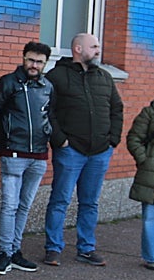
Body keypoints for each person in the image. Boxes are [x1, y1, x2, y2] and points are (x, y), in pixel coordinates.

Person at [43, 33, 123, 267]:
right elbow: (47, 110)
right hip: (70, 151)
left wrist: (112, 140)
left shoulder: (105, 78)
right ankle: (53, 248)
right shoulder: (56, 76)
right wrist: (60, 140)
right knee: (60, 200)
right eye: (94, 46)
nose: (98, 50)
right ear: (78, 48)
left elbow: (116, 109)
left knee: (90, 202)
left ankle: (86, 248)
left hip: (99, 151)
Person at [0, 41, 53, 275]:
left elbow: (49, 116)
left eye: (39, 62)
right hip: (13, 154)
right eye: (30, 60)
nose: (34, 65)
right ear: (23, 58)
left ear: (45, 63)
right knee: (9, 206)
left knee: (24, 206)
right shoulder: (8, 83)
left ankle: (15, 250)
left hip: (39, 155)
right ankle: (4, 253)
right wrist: (1, 146)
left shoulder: (47, 87)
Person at [125, 84, 154, 271]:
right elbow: (134, 138)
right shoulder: (152, 111)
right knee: (152, 214)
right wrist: (144, 160)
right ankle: (152, 258)